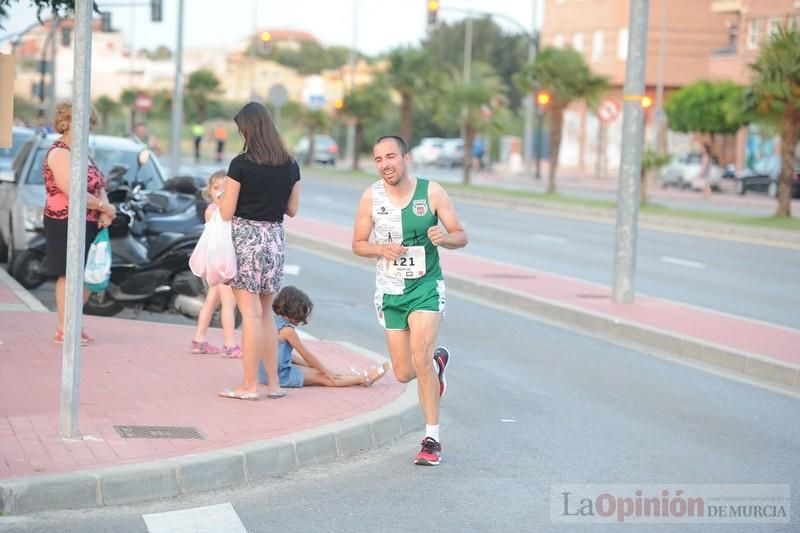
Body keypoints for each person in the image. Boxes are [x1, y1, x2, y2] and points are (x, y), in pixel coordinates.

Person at [352, 135, 468, 466]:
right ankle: (437, 366)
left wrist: (444, 239)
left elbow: (461, 235)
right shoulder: (370, 197)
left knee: (419, 357)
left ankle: (432, 439)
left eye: (391, 156)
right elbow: (358, 243)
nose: (385, 164)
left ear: (406, 158)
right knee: (404, 372)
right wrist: (379, 248)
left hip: (426, 285)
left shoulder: (431, 192)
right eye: (378, 159)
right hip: (390, 290)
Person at [217, 102, 301, 401]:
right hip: (275, 239)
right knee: (266, 314)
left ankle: (249, 385)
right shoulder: (290, 164)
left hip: (246, 239)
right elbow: (291, 209)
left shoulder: (241, 164)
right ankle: (274, 384)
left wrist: (220, 198)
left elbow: (226, 212)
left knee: (249, 315)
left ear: (248, 129)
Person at [43, 102, 116, 344]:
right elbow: (74, 191)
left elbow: (99, 185)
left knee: (88, 275)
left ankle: (75, 322)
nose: (85, 126)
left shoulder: (83, 153)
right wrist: (105, 207)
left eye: (88, 121)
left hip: (90, 221)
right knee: (67, 273)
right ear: (65, 122)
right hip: (64, 220)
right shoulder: (60, 153)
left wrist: (106, 210)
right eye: (79, 120)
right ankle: (64, 328)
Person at [257, 286, 389, 388]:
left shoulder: (272, 321)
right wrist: (325, 371)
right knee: (321, 376)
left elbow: (282, 354)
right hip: (281, 376)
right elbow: (307, 356)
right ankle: (363, 378)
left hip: (265, 372)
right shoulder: (288, 331)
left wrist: (314, 366)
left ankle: (351, 376)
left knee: (314, 368)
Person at [191, 170, 241, 358]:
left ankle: (199, 339)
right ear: (209, 191)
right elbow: (220, 218)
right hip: (220, 262)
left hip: (219, 260)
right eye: (216, 188)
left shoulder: (225, 209)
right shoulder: (212, 210)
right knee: (229, 302)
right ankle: (229, 344)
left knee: (212, 300)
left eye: (224, 188)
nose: (220, 192)